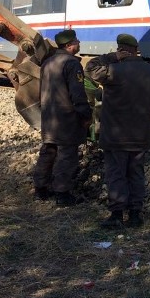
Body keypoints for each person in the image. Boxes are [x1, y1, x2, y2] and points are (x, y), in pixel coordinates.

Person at [85, 34, 150, 228]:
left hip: (116, 136)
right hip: (140, 134)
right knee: (136, 173)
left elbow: (90, 68)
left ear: (121, 50)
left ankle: (116, 215)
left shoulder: (113, 71)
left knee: (116, 173)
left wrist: (111, 57)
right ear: (136, 50)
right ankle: (135, 214)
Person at [32, 29, 92, 206]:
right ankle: (62, 194)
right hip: (66, 118)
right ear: (69, 45)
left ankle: (40, 189)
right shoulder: (72, 64)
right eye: (76, 41)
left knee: (48, 151)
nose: (79, 43)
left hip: (49, 117)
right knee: (67, 155)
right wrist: (85, 114)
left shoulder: (48, 62)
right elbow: (78, 94)